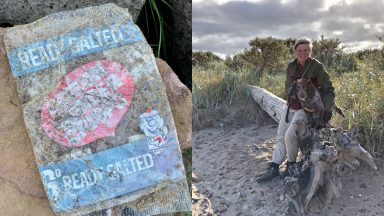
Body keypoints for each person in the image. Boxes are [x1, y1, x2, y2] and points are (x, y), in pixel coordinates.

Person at [257, 37, 335, 182]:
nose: (303, 53)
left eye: (306, 50)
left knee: (289, 136)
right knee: (280, 136)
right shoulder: (291, 66)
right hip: (290, 106)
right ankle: (274, 167)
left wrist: (321, 107)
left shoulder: (317, 67)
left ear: (310, 51)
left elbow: (330, 90)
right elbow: (287, 89)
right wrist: (297, 89)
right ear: (295, 52)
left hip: (306, 110)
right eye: (300, 50)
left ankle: (291, 166)